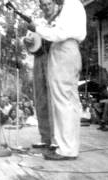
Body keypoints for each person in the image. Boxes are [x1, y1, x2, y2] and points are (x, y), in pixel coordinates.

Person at [27, 0, 87, 160]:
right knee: (69, 101)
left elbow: (59, 33)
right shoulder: (71, 6)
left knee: (62, 101)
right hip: (66, 50)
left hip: (64, 49)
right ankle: (68, 146)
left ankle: (65, 149)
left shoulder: (71, 5)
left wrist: (37, 28)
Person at [23, 0, 62, 151]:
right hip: (39, 58)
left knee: (54, 98)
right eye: (43, 5)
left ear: (54, 4)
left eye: (48, 4)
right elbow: (30, 42)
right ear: (40, 7)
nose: (46, 7)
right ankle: (45, 137)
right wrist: (27, 42)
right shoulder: (37, 22)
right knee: (40, 98)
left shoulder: (60, 19)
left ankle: (56, 139)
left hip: (54, 57)